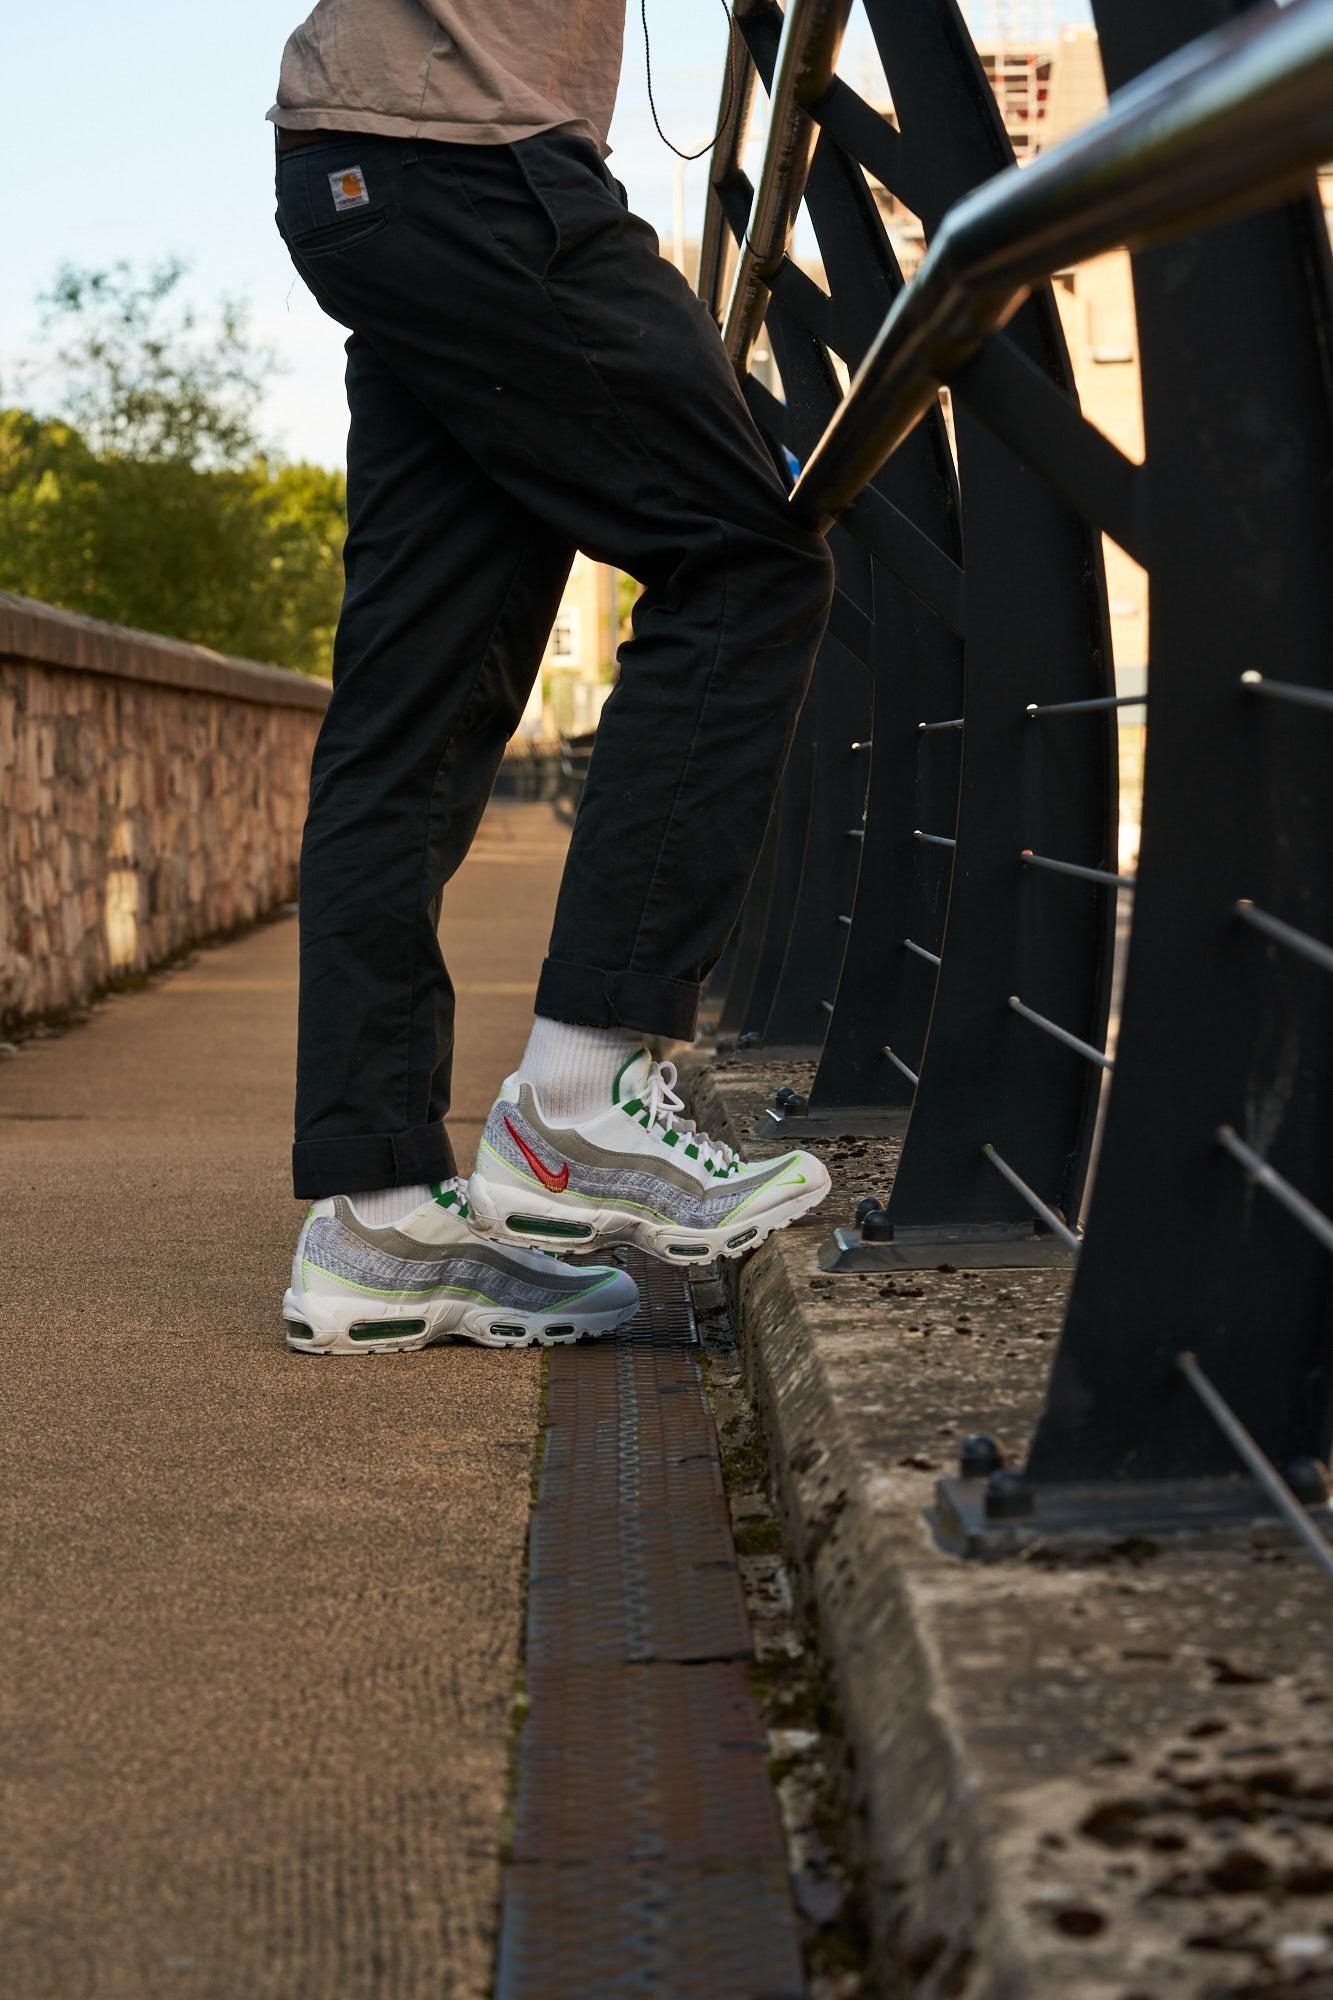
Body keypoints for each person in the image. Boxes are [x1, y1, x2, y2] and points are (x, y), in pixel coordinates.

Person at [270, 0, 835, 1356]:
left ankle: (379, 1219)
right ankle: (581, 1094)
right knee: (745, 560)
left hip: (376, 163)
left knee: (415, 708)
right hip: (472, 157)